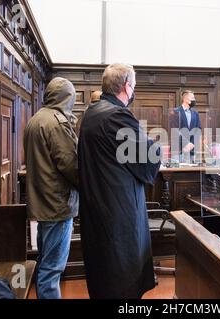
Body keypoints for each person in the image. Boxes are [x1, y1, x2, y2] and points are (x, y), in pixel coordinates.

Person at [78, 63, 161, 299]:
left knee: (104, 278)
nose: (133, 91)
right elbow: (148, 159)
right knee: (121, 282)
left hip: (98, 207)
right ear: (126, 86)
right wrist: (156, 148)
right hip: (117, 214)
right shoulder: (117, 115)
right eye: (133, 86)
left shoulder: (92, 112)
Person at [24, 77, 78, 299]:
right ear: (67, 97)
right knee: (52, 268)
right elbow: (70, 164)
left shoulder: (36, 119)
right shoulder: (56, 122)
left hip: (42, 202)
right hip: (57, 204)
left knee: (45, 260)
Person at [173, 90, 202, 161]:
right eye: (192, 97)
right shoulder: (175, 111)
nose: (194, 100)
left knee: (191, 171)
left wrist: (192, 144)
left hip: (192, 150)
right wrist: (186, 144)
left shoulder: (195, 113)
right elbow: (174, 130)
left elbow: (198, 130)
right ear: (185, 99)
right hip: (179, 149)